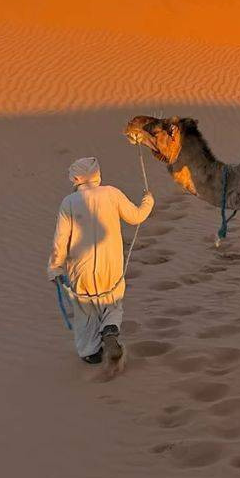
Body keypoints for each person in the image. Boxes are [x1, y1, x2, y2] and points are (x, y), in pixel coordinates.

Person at [47, 156, 153, 366]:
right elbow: (136, 216)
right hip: (111, 264)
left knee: (85, 310)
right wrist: (148, 201)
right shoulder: (111, 193)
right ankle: (110, 329)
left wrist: (55, 268)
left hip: (81, 269)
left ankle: (91, 353)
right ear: (96, 174)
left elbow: (61, 239)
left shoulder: (68, 202)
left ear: (76, 177)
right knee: (113, 301)